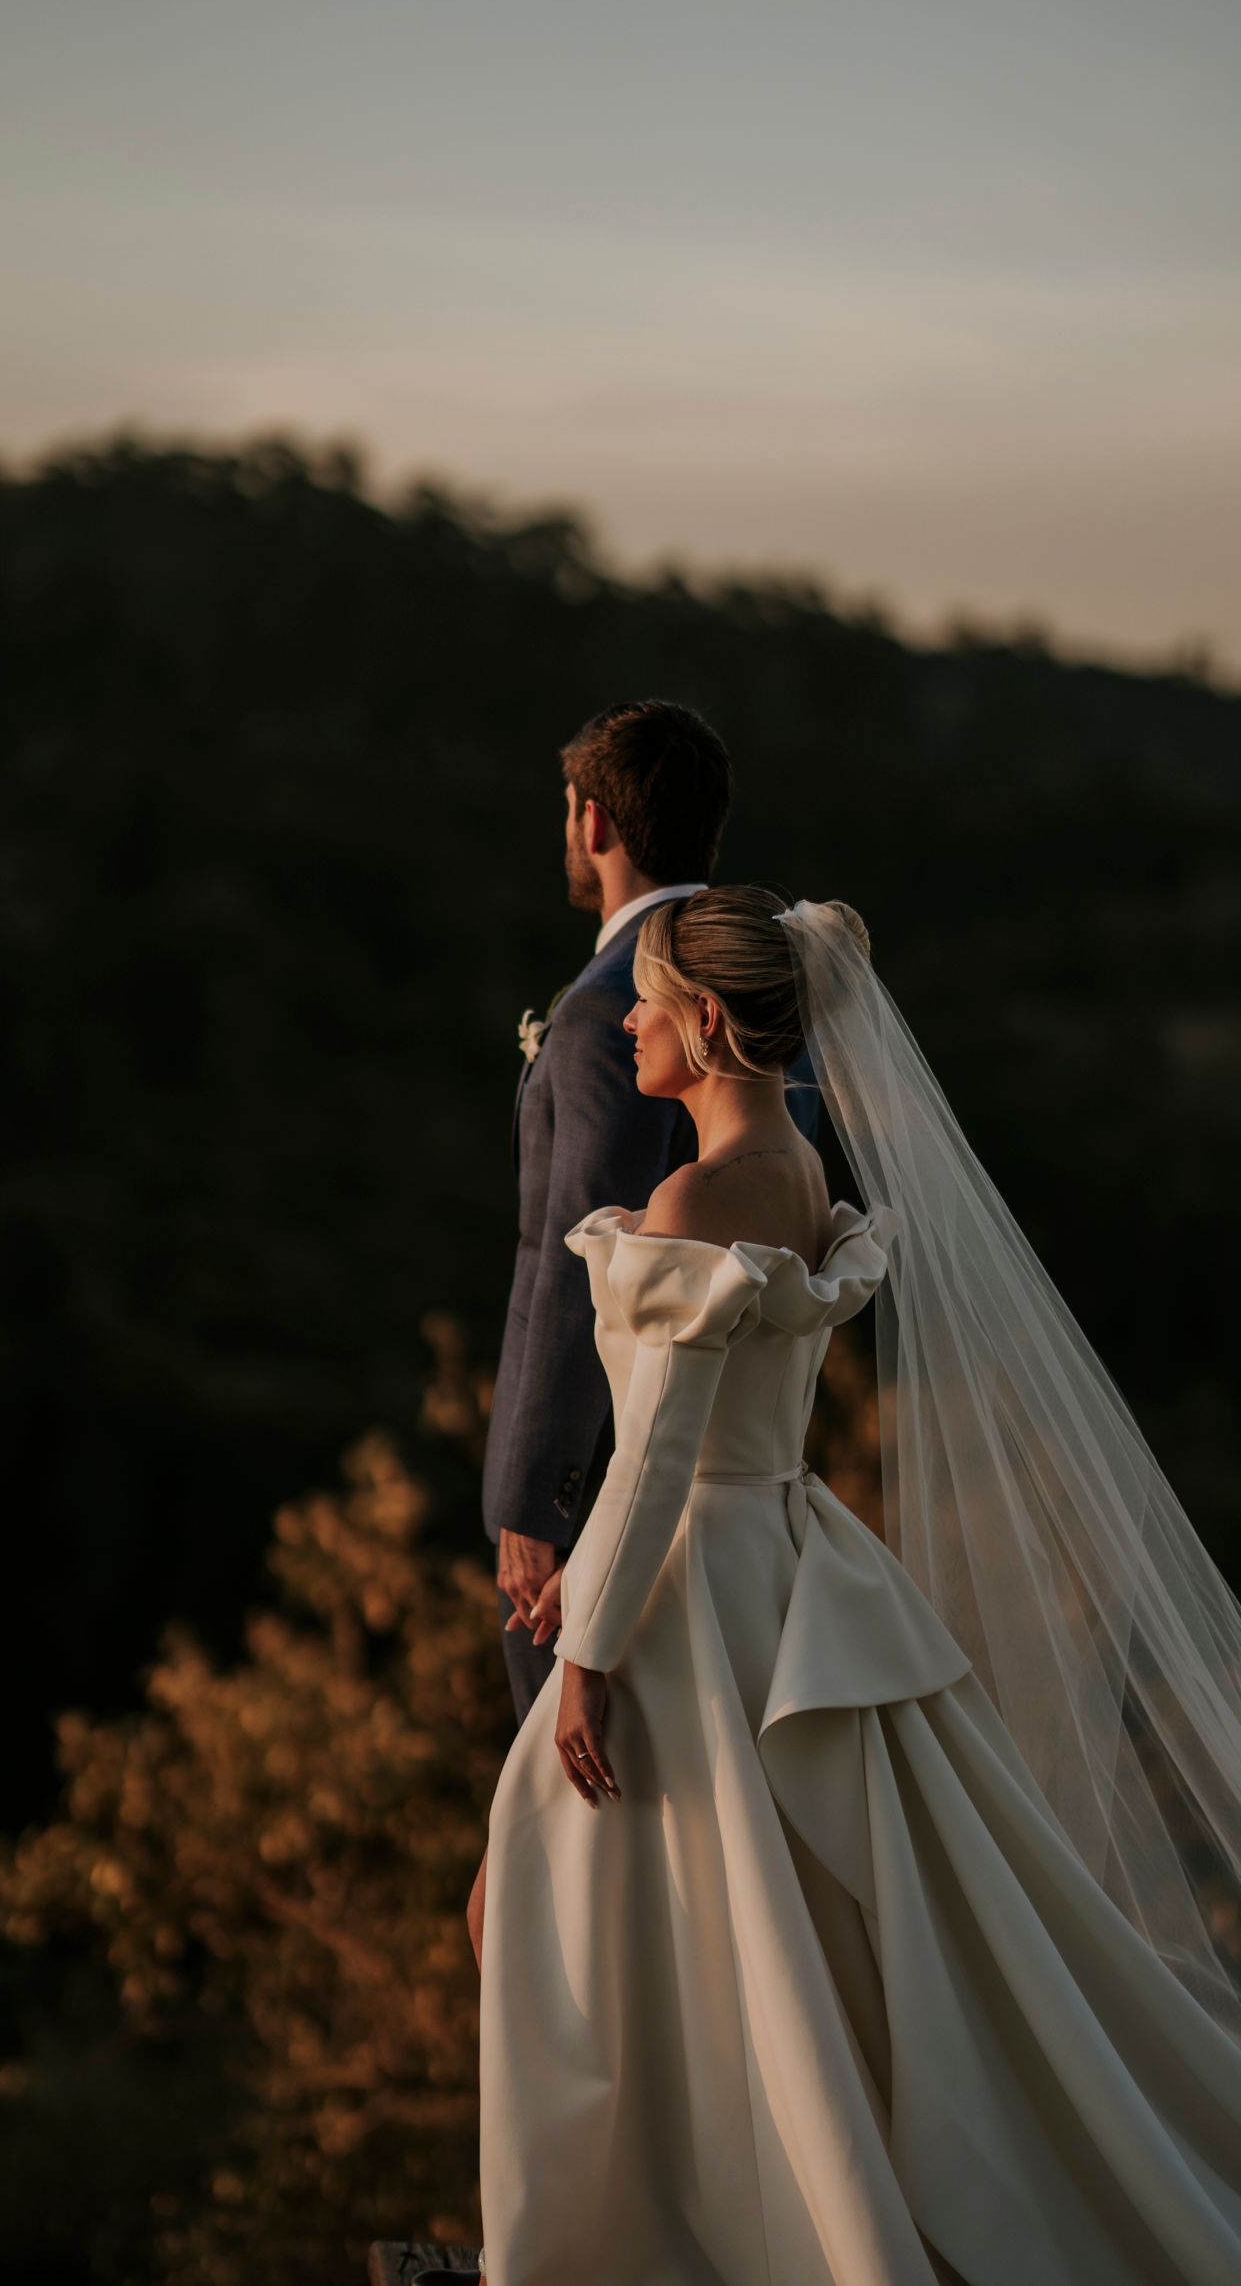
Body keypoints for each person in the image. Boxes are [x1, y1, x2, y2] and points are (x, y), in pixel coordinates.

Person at [459, 886, 1241, 2286]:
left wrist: (592, 1646)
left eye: (647, 999)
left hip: (695, 1583)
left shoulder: (692, 1197)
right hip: (781, 1559)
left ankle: (651, 2235)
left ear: (704, 1021)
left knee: (602, 1897)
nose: (624, 1019)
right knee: (783, 1919)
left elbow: (659, 1449)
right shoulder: (798, 1169)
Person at [482, 701, 818, 1729]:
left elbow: (568, 1266)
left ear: (593, 821)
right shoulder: (753, 984)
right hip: (751, 1500)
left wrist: (536, 1497)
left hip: (617, 1497)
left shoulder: (610, 1009)